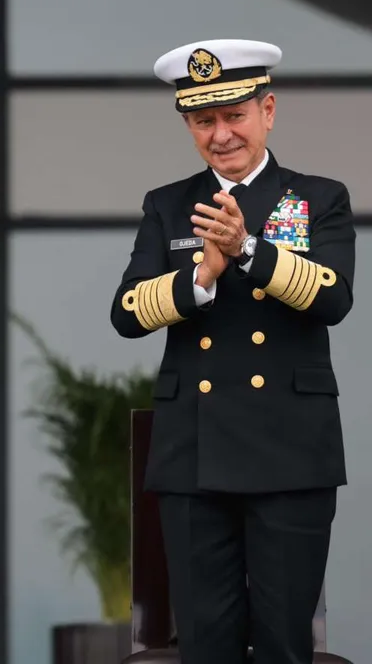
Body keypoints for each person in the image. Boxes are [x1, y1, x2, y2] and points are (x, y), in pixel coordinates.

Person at [110, 39, 355, 664]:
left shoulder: (317, 197)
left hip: (291, 452)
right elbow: (127, 313)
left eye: (234, 115)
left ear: (267, 110)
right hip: (195, 453)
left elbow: (333, 299)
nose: (220, 134)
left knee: (283, 643)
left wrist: (249, 252)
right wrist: (201, 279)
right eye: (203, 121)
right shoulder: (167, 204)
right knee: (205, 644)